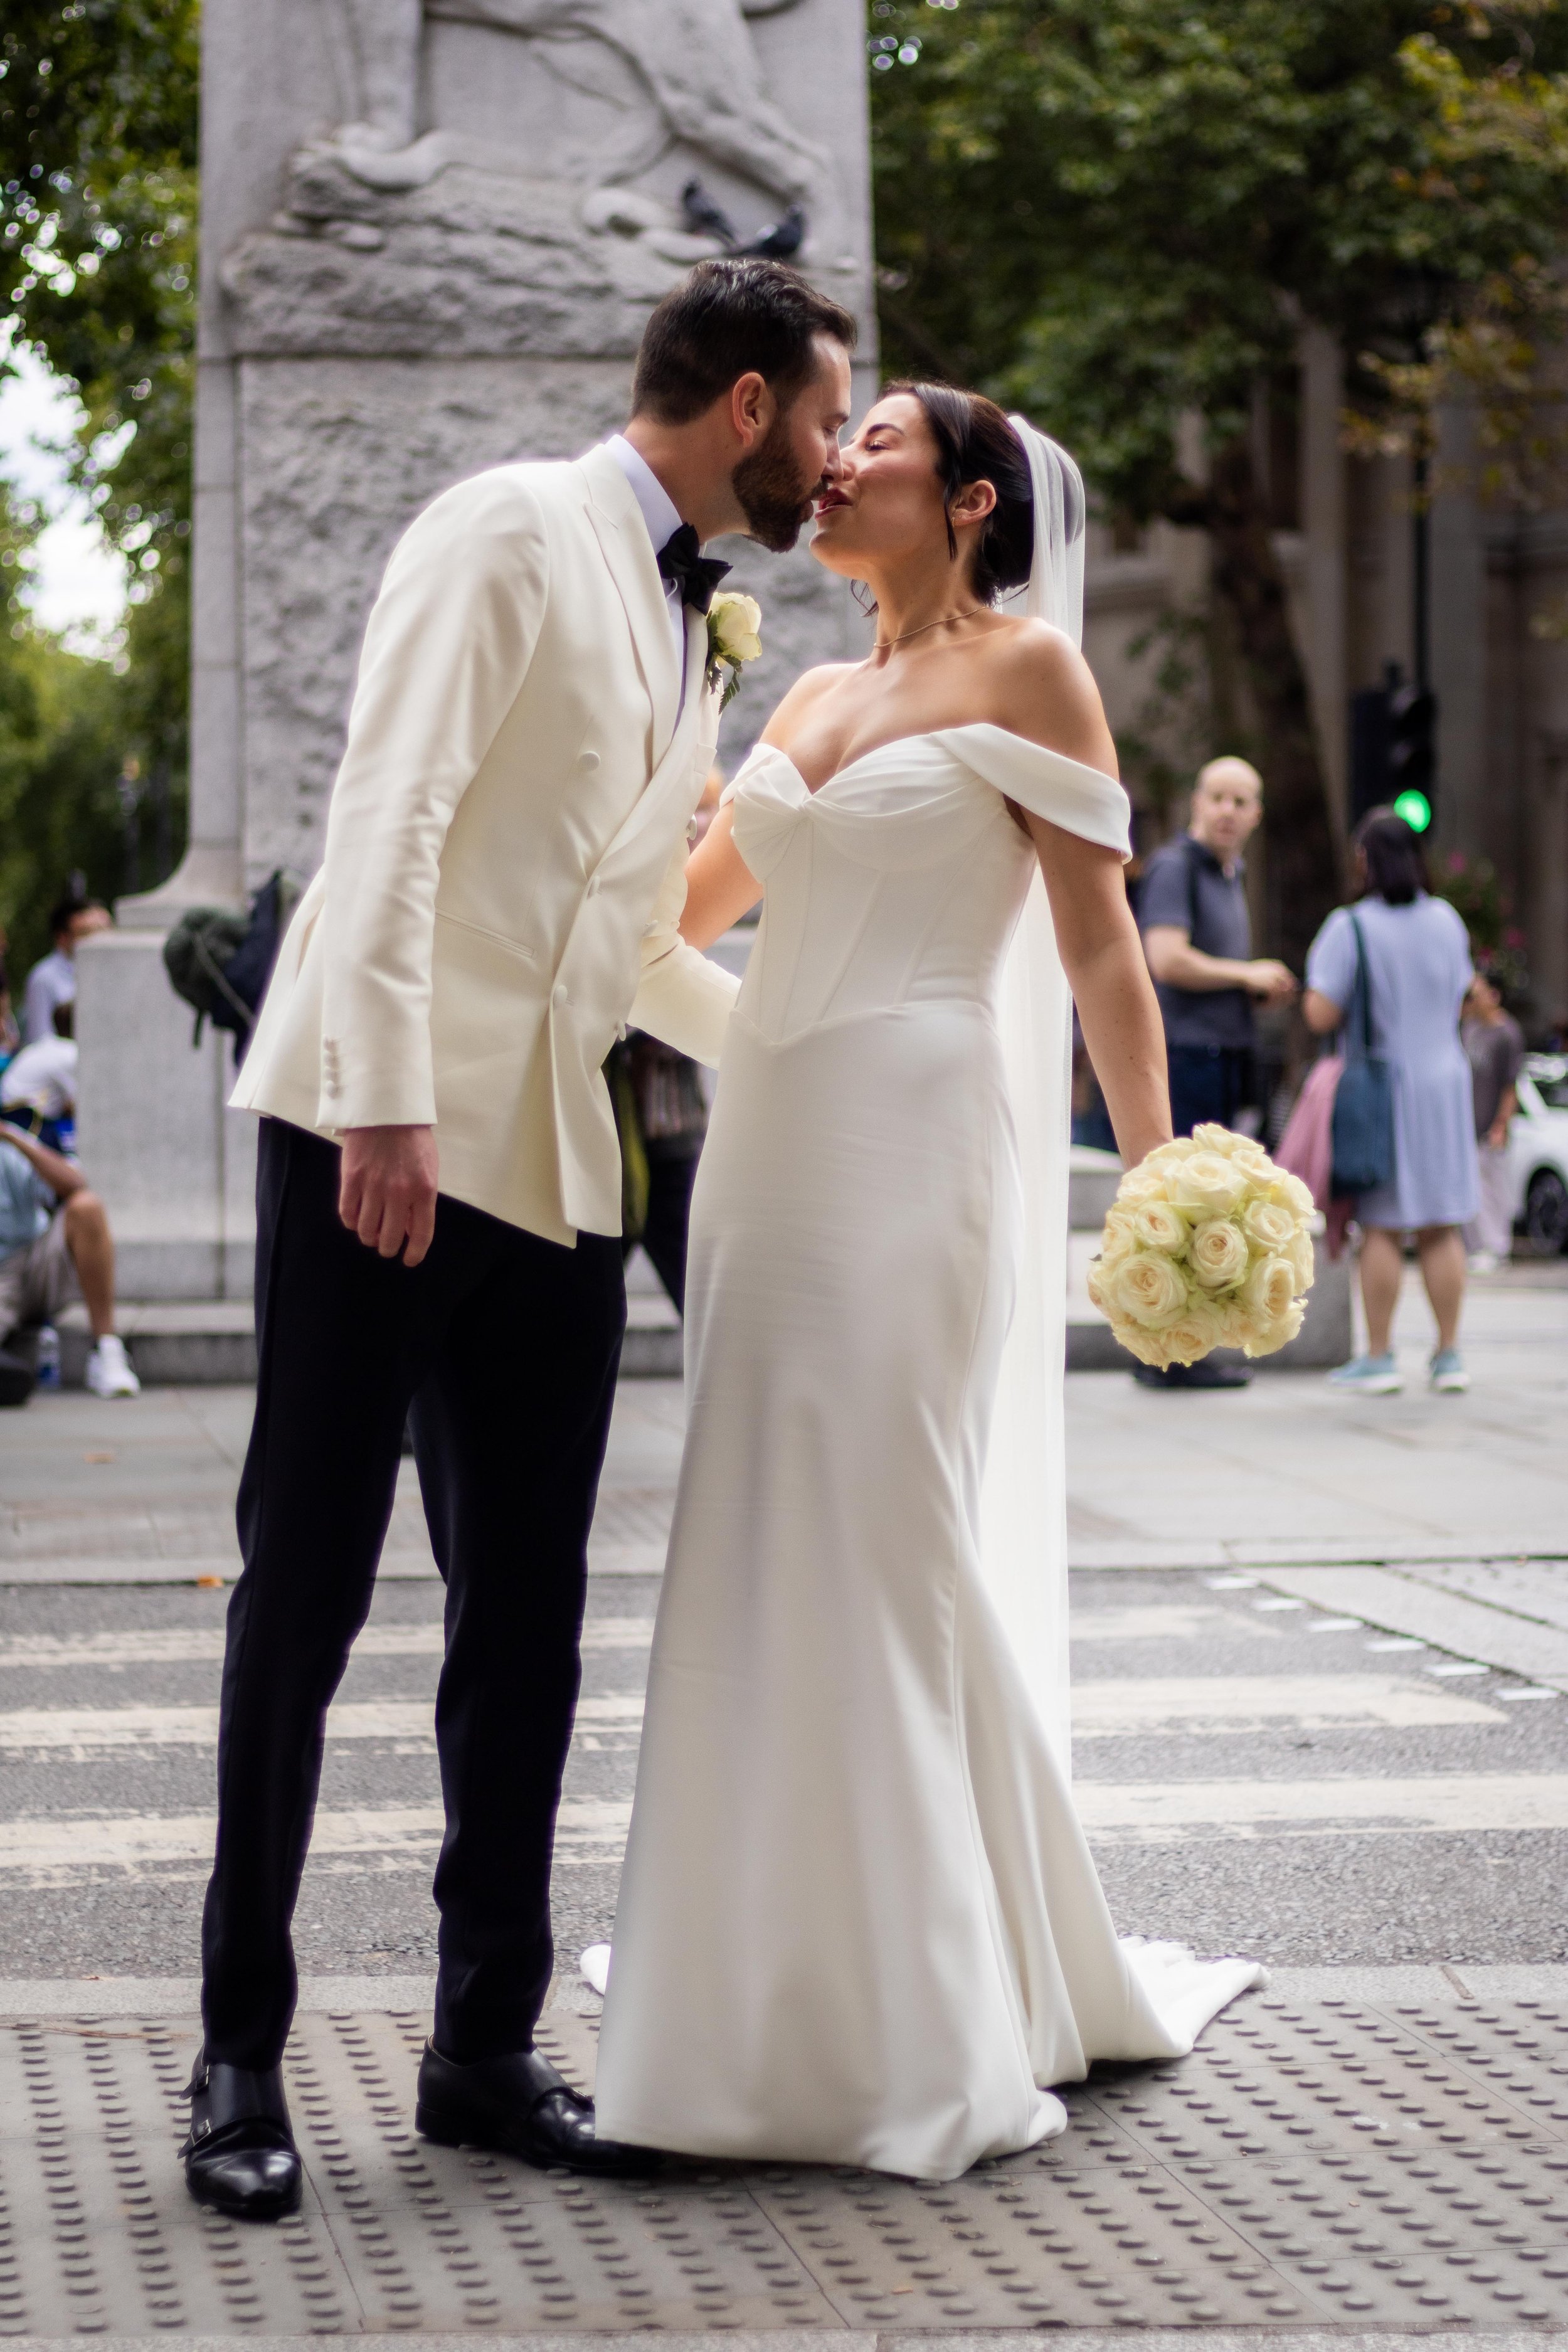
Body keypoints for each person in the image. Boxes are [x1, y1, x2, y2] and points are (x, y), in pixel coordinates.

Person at [191, 258, 855, 2221]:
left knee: (529, 1628)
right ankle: (236, 2052)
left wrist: (827, 1065)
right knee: (296, 1606)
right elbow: (387, 813)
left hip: (558, 1168)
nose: (829, 461)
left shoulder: (696, 625)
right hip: (377, 1140)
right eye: (824, 418)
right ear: (743, 404)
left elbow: (636, 935)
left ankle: (480, 2043)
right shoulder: (503, 522)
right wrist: (382, 1092)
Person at [590, 386, 1261, 2183]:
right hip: (769, 1152)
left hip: (921, 1144)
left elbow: (1101, 944)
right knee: (760, 1537)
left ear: (965, 499)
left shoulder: (1030, 667)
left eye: (869, 435)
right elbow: (671, 939)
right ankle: (752, 1994)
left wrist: (1168, 1170)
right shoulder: (799, 697)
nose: (830, 457)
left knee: (882, 1531)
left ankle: (913, 2018)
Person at [1304, 807, 1476, 1396]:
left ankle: (1379, 1357)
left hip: (1385, 1089)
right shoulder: (1448, 920)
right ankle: (1449, 1355)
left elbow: (1321, 1010)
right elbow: (1459, 994)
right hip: (1446, 1082)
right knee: (1440, 1224)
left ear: (1365, 859)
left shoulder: (1350, 926)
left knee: (1380, 1225)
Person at [0, 1123, 140, 1402]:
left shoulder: (8, 1150)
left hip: (35, 1261)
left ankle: (107, 1350)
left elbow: (76, 1183)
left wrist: (16, 1139)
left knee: (87, 1207)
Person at [1461, 971, 1523, 1272]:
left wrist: (1502, 1123)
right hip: (1468, 1125)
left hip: (1491, 1126)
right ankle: (1476, 1246)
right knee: (1473, 1188)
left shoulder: (1507, 1033)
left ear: (1494, 995)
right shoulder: (1471, 1029)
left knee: (1493, 1189)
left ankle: (1497, 1247)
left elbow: (1510, 1085)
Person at [21, 898, 110, 1047]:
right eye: (86, 933)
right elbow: (41, 1041)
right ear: (62, 937)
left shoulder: (108, 973)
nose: (98, 940)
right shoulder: (44, 978)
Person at [1, 1004, 79, 1153]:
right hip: (27, 1123)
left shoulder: (47, 1044)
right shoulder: (70, 1053)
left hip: (11, 1116)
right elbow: (82, 1108)